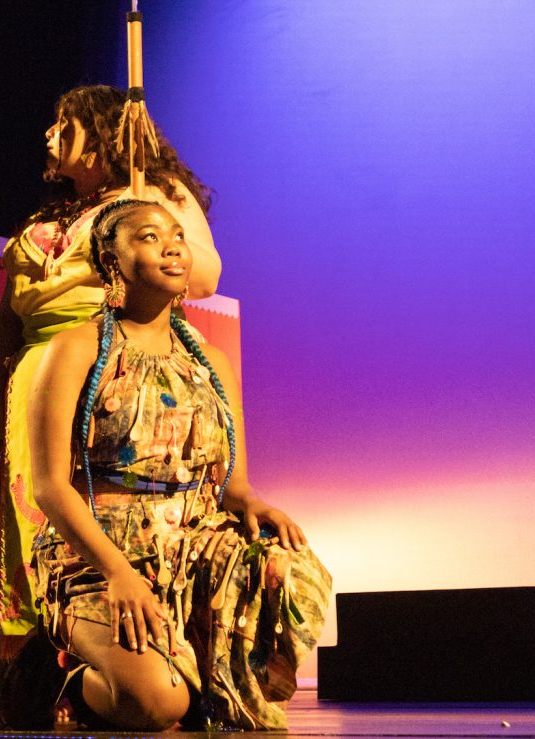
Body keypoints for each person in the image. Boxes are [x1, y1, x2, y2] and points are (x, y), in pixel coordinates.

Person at [21, 200, 331, 730]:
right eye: (148, 236)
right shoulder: (73, 350)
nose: (171, 245)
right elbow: (50, 487)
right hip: (101, 556)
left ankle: (193, 664)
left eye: (177, 235)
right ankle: (53, 677)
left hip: (192, 547)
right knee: (157, 705)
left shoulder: (211, 362)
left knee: (295, 571)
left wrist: (255, 504)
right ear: (111, 260)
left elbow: (234, 486)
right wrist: (116, 570)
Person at [0, 85, 223, 654]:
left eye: (64, 124)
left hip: (101, 368)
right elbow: (8, 316)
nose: (49, 135)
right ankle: (34, 659)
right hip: (31, 378)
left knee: (87, 499)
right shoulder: (47, 218)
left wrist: (153, 219)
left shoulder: (148, 197)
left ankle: (102, 645)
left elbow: (204, 274)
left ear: (101, 136)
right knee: (25, 513)